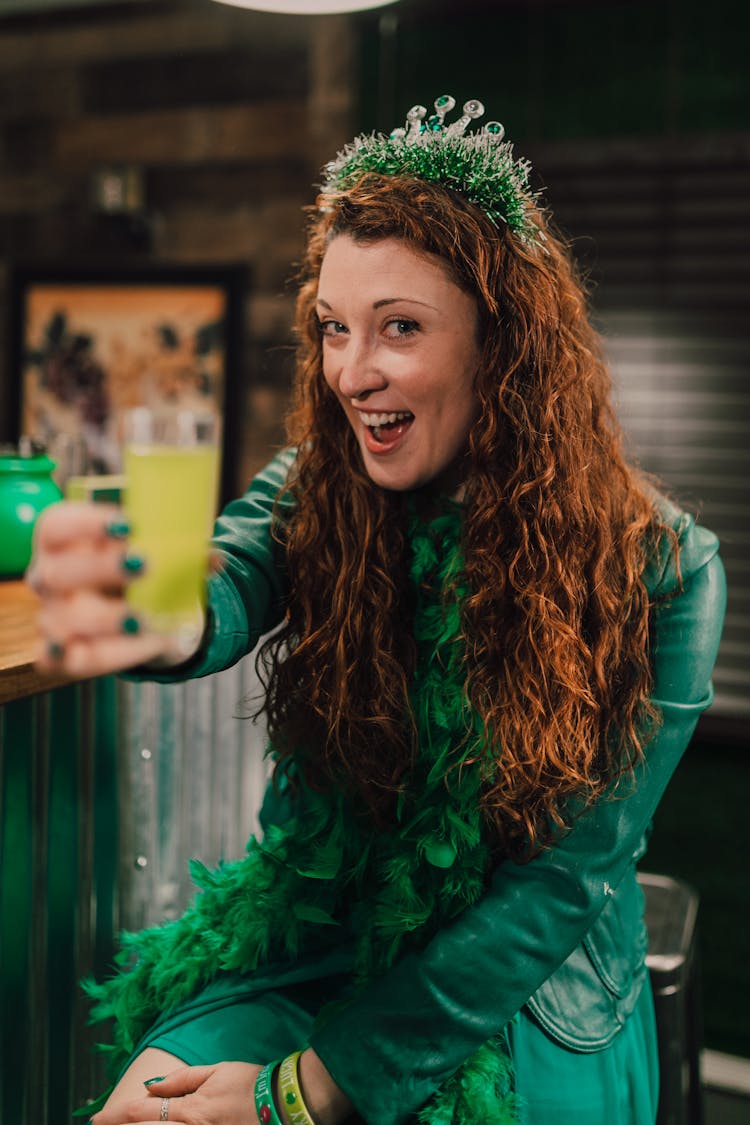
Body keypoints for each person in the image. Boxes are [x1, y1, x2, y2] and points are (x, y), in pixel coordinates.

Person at [28, 96, 725, 1125]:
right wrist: (158, 613)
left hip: (523, 996)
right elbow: (226, 580)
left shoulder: (665, 570)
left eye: (400, 328)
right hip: (323, 940)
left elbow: (556, 890)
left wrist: (292, 1098)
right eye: (335, 329)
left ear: (505, 344)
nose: (354, 374)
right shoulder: (319, 488)